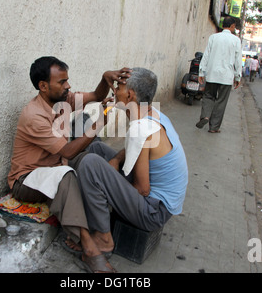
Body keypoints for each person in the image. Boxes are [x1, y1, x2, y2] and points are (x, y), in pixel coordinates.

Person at [7, 56, 132, 273]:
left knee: (89, 161)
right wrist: (96, 127)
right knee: (66, 175)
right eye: (62, 82)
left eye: (67, 80)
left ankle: (108, 220)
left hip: (56, 164)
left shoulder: (62, 100)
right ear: (43, 86)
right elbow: (68, 151)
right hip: (27, 179)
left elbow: (96, 96)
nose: (68, 86)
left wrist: (105, 78)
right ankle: (89, 246)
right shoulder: (34, 115)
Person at [73, 68, 188, 267]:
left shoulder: (140, 128)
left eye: (118, 87)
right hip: (160, 202)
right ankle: (97, 209)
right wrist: (116, 162)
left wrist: (110, 189)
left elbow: (143, 189)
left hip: (153, 211)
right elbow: (139, 147)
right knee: (98, 149)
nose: (114, 90)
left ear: (130, 95)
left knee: (90, 164)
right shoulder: (153, 114)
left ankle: (103, 240)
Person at [196, 16, 242, 133]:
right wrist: (238, 76)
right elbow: (238, 60)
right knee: (221, 101)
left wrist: (201, 71)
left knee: (208, 96)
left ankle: (205, 116)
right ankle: (214, 127)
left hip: (212, 74)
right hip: (227, 76)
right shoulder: (236, 40)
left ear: (222, 25)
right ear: (232, 26)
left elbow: (206, 55)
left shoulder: (213, 37)